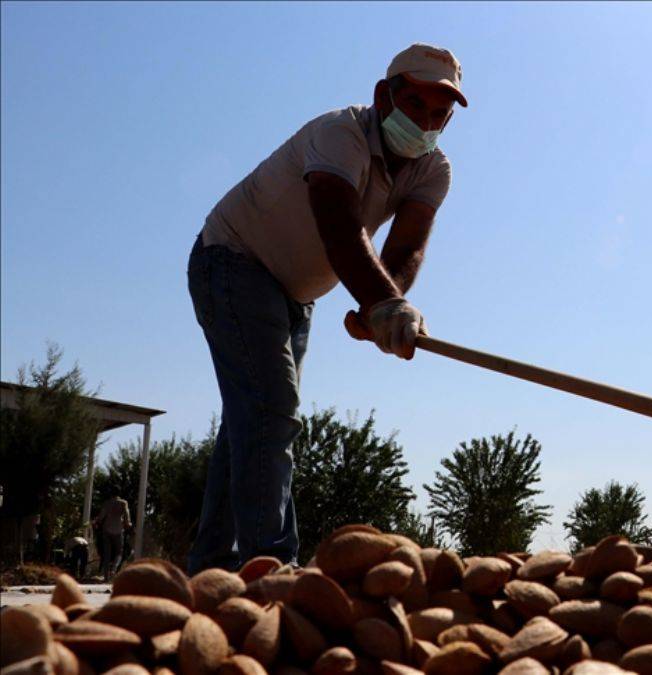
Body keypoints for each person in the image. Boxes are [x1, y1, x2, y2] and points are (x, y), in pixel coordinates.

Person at [186, 43, 467, 574]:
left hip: (297, 295)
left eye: (440, 114)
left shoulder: (433, 171)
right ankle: (273, 567)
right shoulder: (340, 133)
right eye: (416, 106)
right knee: (270, 411)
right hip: (232, 260)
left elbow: (405, 249)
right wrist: (380, 302)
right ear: (384, 96)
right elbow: (338, 224)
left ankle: (209, 571)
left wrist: (388, 306)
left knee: (252, 422)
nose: (427, 123)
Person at [92, 494, 131, 578]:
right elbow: (127, 517)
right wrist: (128, 524)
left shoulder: (107, 503)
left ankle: (106, 575)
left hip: (107, 529)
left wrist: (96, 522)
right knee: (119, 552)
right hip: (118, 530)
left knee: (107, 554)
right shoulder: (123, 503)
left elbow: (101, 517)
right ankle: (113, 569)